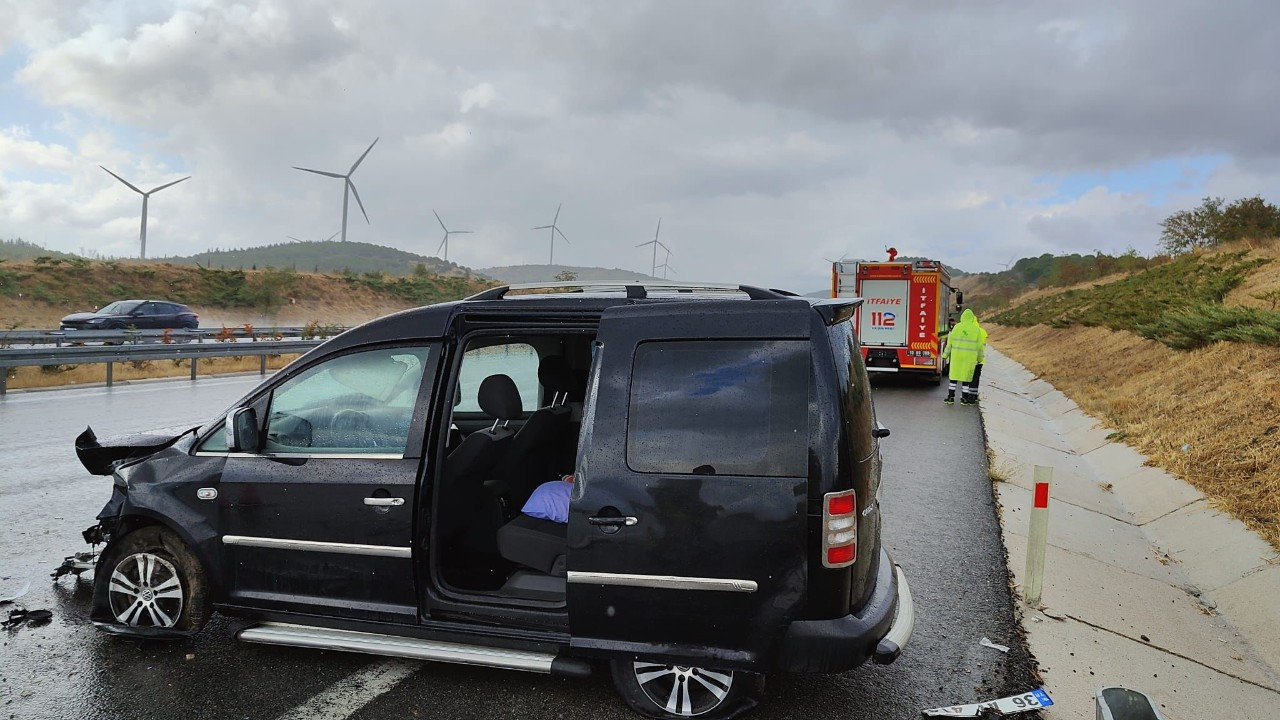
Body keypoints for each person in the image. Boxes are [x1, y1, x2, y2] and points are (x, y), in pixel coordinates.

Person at [940, 309, 985, 405]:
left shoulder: (956, 328)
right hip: (969, 359)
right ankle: (964, 398)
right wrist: (980, 359)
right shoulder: (976, 330)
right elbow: (980, 347)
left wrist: (945, 355)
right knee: (966, 379)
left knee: (953, 378)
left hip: (957, 357)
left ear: (962, 317)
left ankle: (950, 397)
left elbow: (949, 344)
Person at [968, 317, 989, 405]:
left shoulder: (970, 331)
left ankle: (968, 395)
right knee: (976, 377)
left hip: (971, 359)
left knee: (969, 377)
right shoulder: (983, 331)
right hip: (980, 360)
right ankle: (974, 395)